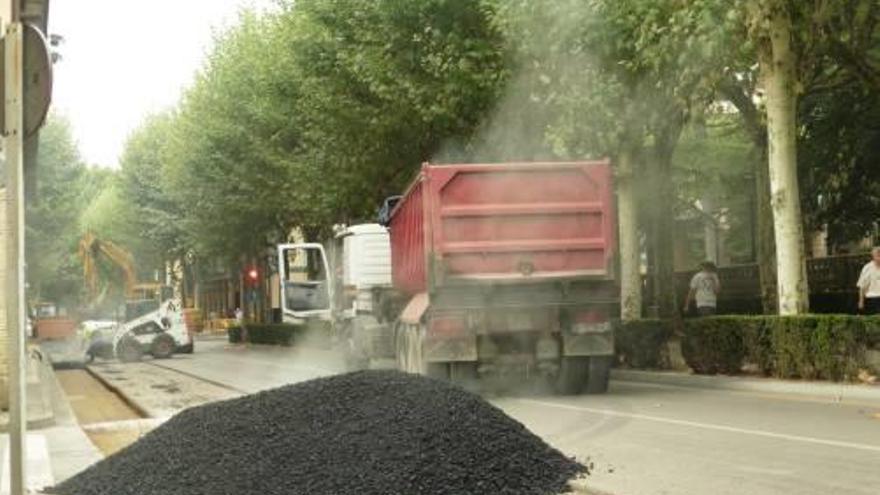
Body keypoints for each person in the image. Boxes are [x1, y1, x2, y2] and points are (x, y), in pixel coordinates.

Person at [857, 247, 880, 315]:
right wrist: (861, 301)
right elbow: (862, 286)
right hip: (872, 299)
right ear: (873, 256)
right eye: (878, 255)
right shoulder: (867, 268)